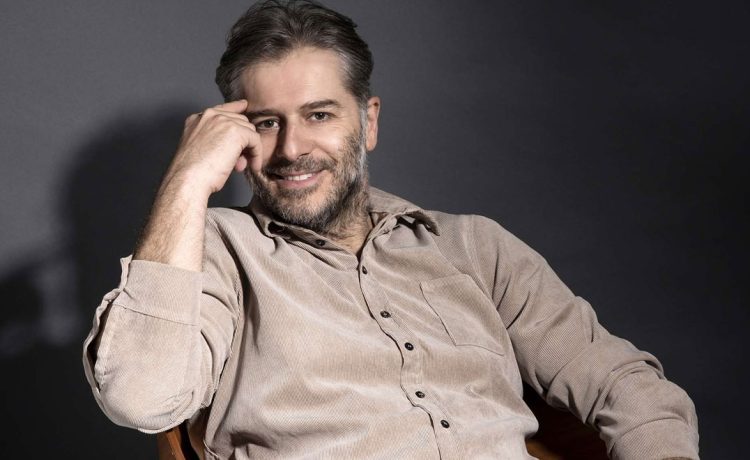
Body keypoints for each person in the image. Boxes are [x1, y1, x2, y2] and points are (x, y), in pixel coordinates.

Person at [82, 1, 699, 458]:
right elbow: (142, 397)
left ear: (368, 122)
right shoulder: (214, 250)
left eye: (319, 115)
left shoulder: (474, 246)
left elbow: (624, 384)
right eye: (267, 123)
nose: (292, 148)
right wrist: (186, 181)